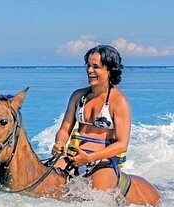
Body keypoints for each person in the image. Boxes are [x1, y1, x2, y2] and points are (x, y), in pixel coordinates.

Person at [52, 45, 130, 192]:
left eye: (96, 67)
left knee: (98, 204)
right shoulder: (78, 96)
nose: (89, 70)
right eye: (88, 65)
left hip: (103, 162)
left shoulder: (119, 102)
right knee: (46, 186)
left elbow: (122, 144)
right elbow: (64, 129)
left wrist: (90, 158)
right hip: (73, 158)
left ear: (110, 69)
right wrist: (60, 143)